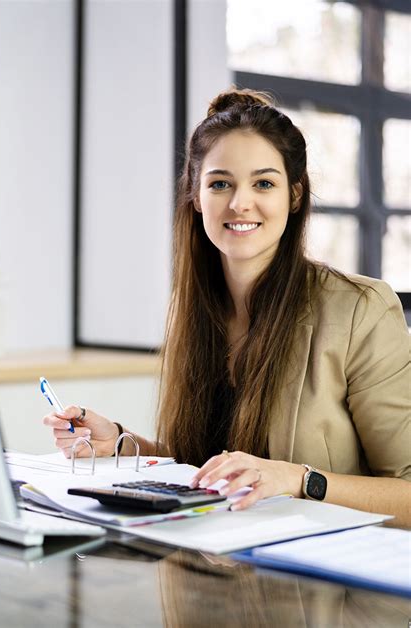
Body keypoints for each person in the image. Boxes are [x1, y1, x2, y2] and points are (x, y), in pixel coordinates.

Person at [43, 88, 410, 526]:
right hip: (213, 569)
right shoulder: (196, 308)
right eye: (220, 183)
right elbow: (207, 469)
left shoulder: (360, 311)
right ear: (196, 197)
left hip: (324, 582)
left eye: (264, 183)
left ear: (294, 197)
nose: (240, 203)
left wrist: (297, 480)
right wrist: (121, 443)